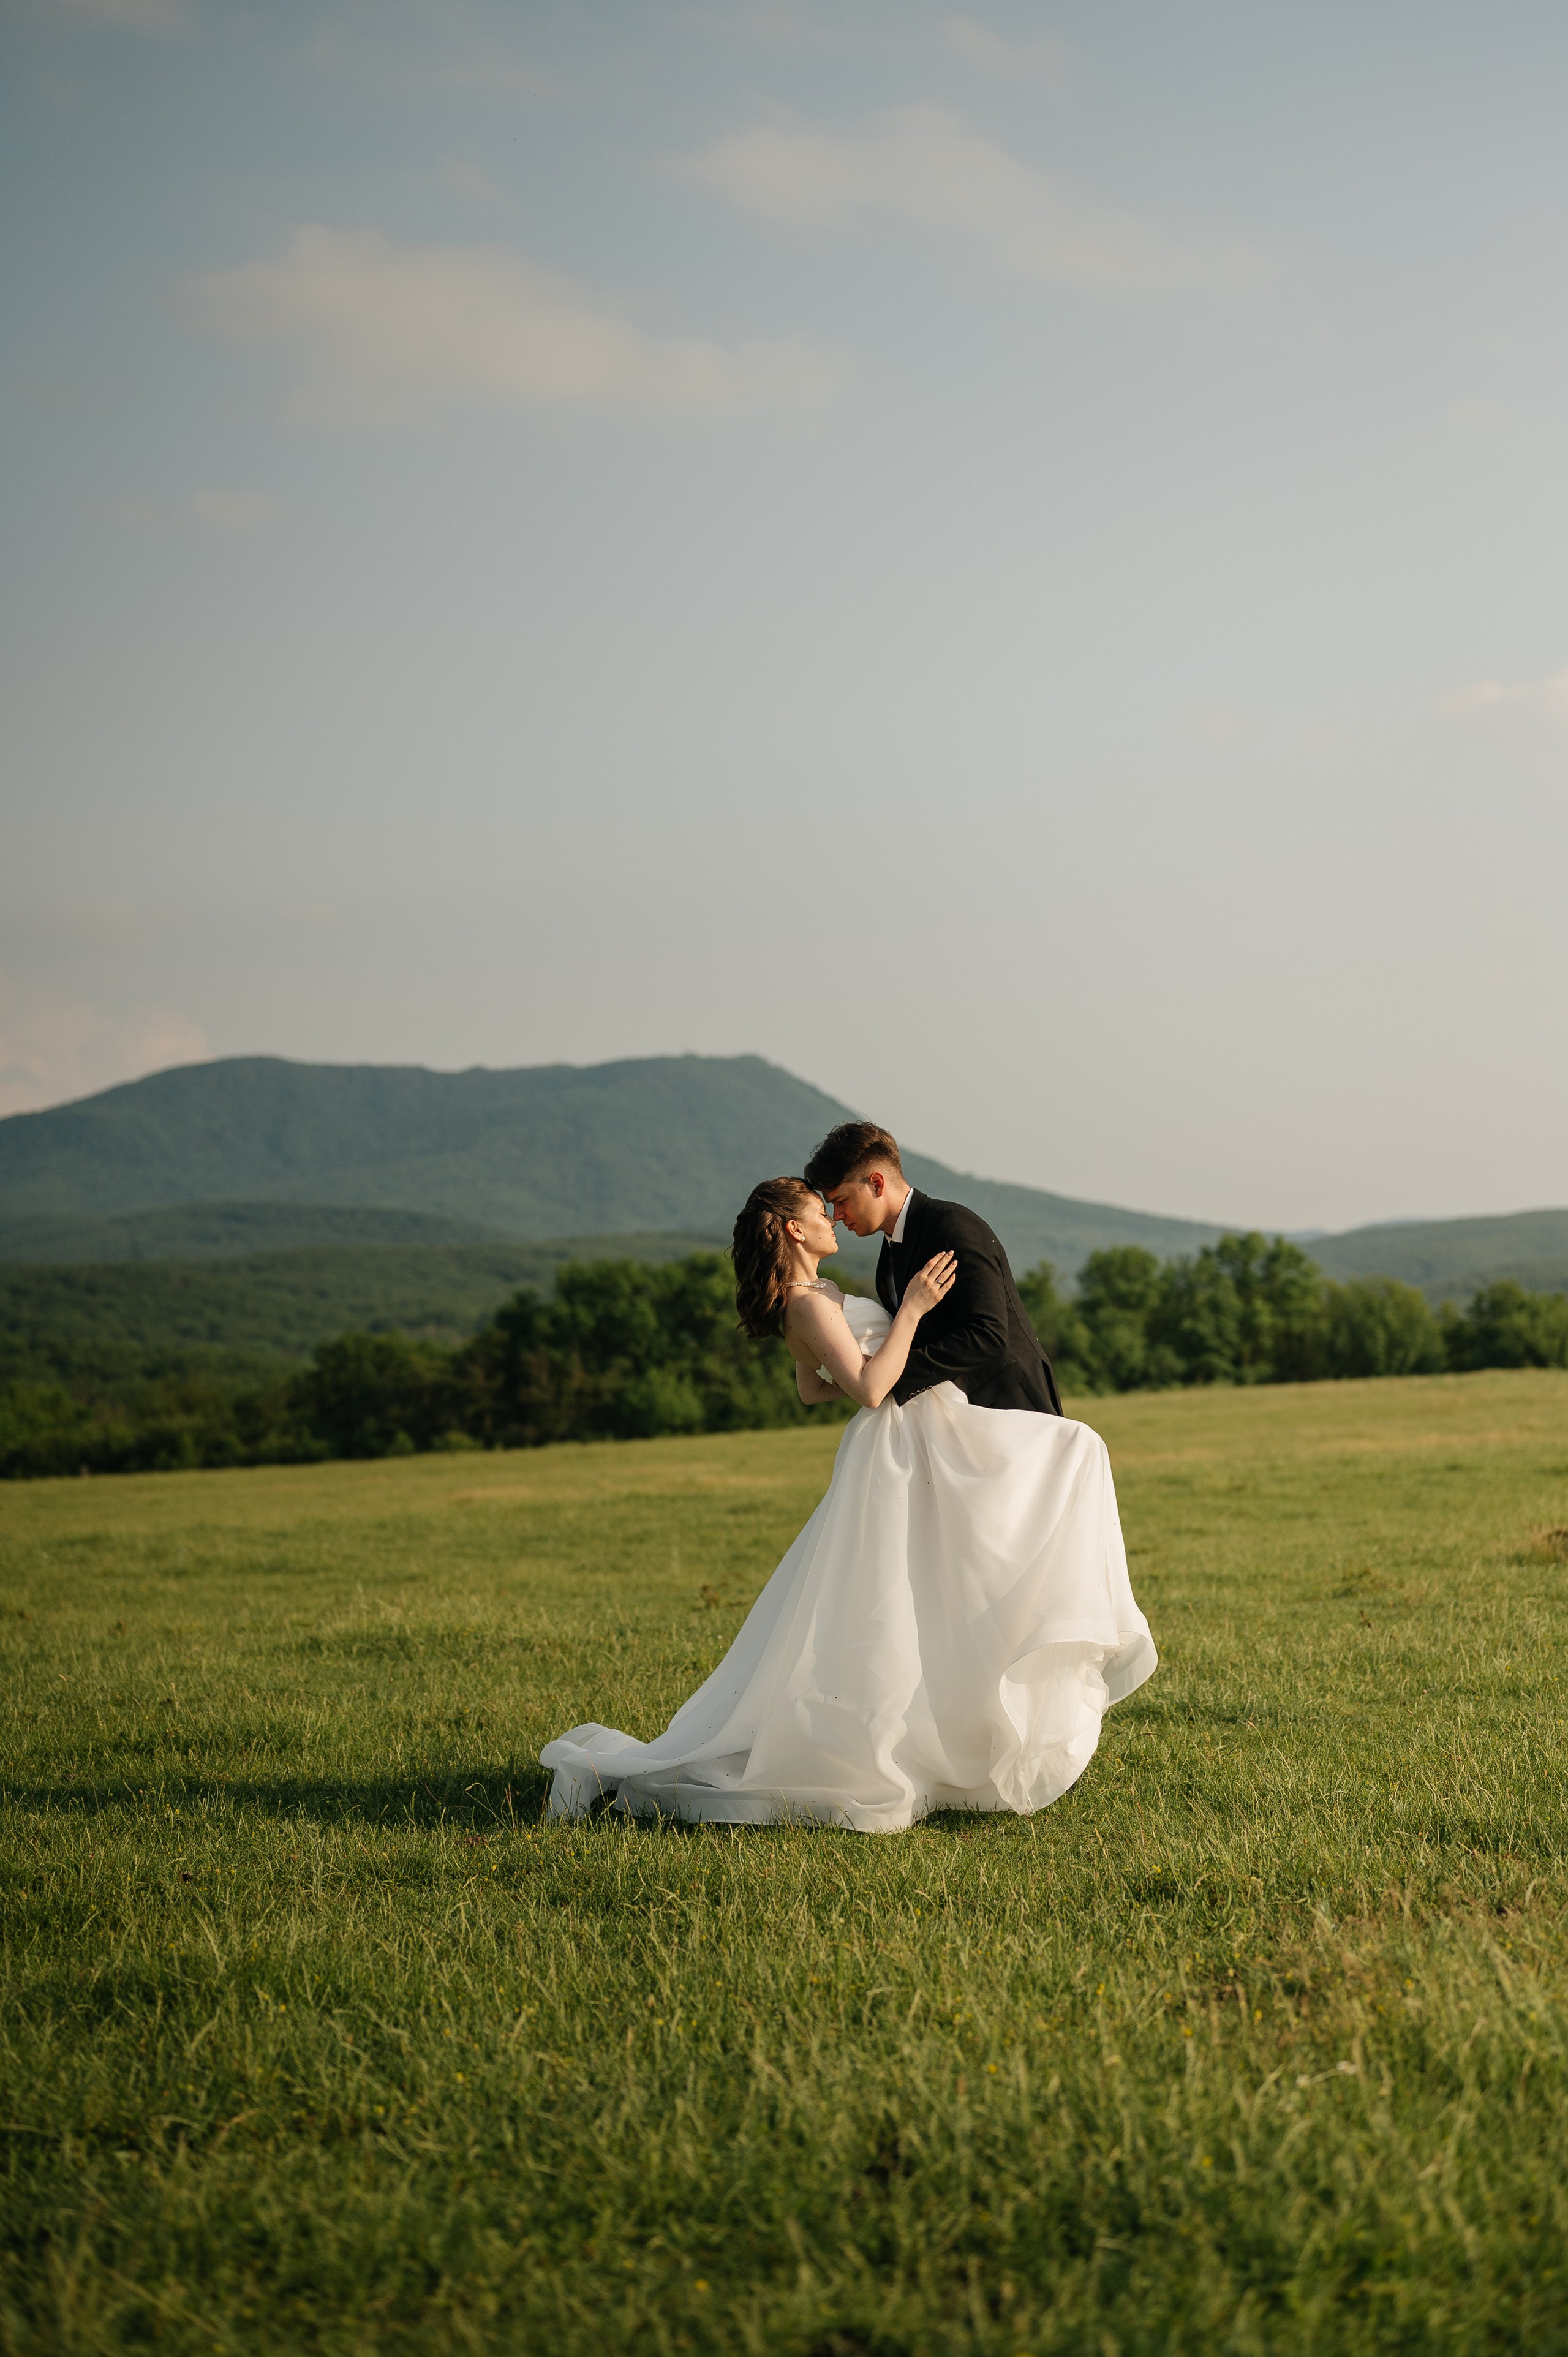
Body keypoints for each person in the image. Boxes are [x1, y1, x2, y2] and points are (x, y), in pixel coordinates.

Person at [540, 1137, 1156, 1833]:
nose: (835, 1216)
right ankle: (948, 1723)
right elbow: (863, 1386)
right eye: (822, 1209)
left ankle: (989, 1691)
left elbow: (814, 1387)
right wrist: (910, 1319)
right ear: (795, 1229)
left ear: (873, 1180)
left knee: (971, 1544)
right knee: (929, 1568)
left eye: (838, 1201)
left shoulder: (863, 1270)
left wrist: (880, 1370)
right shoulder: (815, 1296)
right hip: (902, 1433)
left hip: (924, 1425)